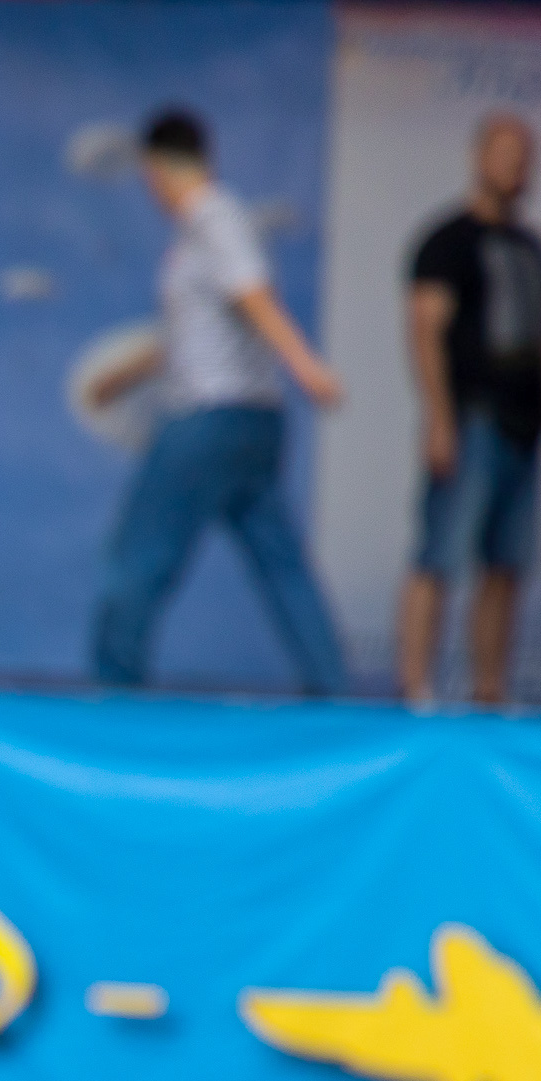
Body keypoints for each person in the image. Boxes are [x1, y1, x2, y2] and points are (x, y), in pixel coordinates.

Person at [87, 108, 348, 694]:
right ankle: (334, 689)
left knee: (137, 559)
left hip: (210, 421)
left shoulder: (214, 218)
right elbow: (196, 332)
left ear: (156, 168)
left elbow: (253, 297)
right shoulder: (205, 232)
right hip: (254, 425)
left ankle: (113, 698)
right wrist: (123, 378)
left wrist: (306, 368)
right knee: (281, 564)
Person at [397, 114, 541, 706]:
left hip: (525, 428)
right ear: (479, 157)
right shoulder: (447, 241)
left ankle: (489, 693)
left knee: (506, 564)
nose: (516, 167)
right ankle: (415, 691)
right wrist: (440, 419)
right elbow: (424, 330)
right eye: (504, 153)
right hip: (472, 419)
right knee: (439, 553)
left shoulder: (530, 248)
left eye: (525, 156)